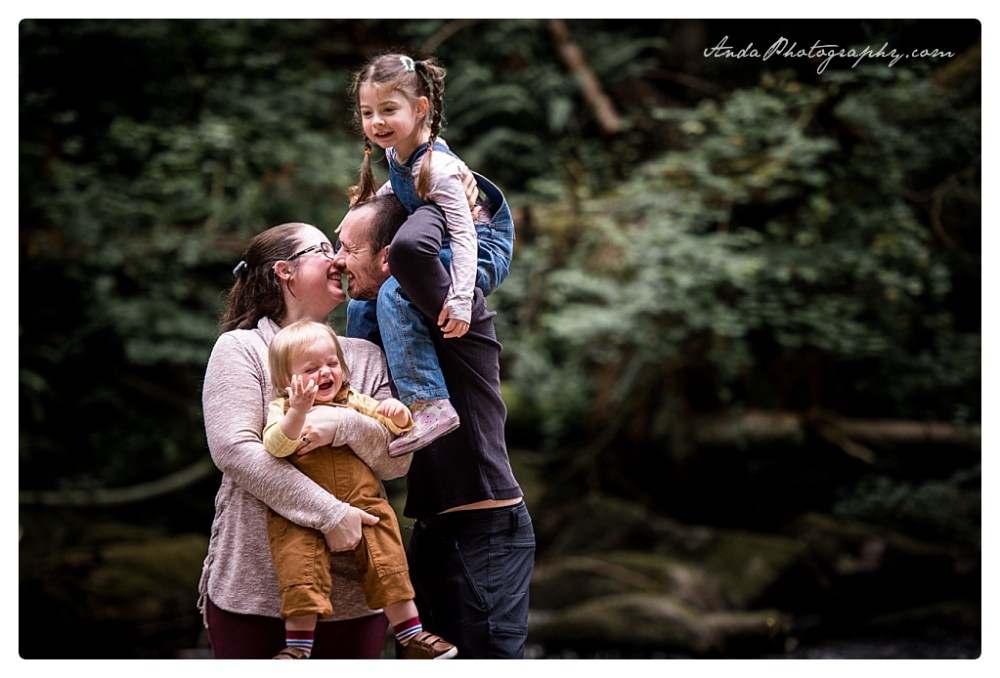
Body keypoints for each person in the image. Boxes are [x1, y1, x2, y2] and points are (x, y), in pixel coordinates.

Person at [333, 193, 535, 659]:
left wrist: (427, 190)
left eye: (348, 248)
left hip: (483, 530)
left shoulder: (452, 308)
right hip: (432, 529)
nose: (338, 260)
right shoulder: (383, 321)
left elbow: (409, 251)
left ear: (387, 257)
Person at [198, 222, 412, 659]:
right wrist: (329, 515)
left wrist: (342, 426)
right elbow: (235, 451)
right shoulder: (241, 349)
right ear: (284, 271)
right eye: (322, 249)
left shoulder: (365, 356)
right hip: (253, 591)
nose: (339, 258)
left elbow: (397, 462)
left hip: (355, 595)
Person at [346, 53, 515, 457]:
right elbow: (401, 193)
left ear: (420, 108)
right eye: (368, 113)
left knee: (394, 292)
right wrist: (357, 215)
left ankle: (430, 402)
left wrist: (459, 300)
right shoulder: (396, 153)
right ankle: (366, 395)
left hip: (480, 249)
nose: (377, 122)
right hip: (445, 246)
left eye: (389, 110)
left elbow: (463, 233)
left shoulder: (438, 167)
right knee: (360, 306)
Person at [261, 318, 456, 659]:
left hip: (363, 500)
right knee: (299, 568)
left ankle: (411, 635)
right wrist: (299, 413)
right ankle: (298, 648)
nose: (325, 373)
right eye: (312, 368)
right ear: (284, 381)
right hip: (301, 510)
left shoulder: (355, 400)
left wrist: (398, 415)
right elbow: (276, 446)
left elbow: (394, 434)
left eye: (332, 364)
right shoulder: (283, 409)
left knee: (388, 558)